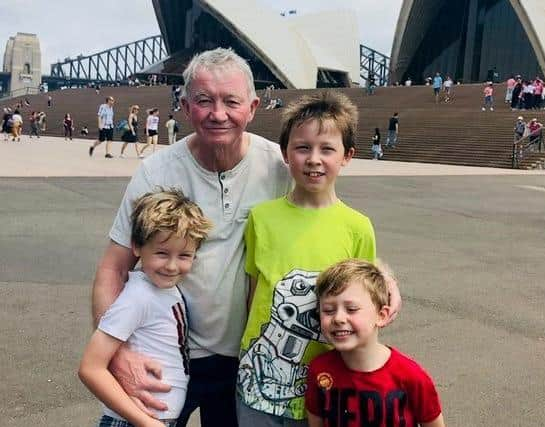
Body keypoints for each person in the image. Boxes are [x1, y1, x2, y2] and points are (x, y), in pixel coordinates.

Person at [90, 48, 402, 427]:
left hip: (243, 363)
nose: (218, 114)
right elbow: (113, 267)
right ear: (186, 107)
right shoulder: (156, 171)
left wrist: (382, 277)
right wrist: (119, 355)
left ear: (252, 107)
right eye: (204, 101)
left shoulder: (282, 164)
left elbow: (330, 222)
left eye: (231, 101)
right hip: (166, 355)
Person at [237, 91, 377, 426]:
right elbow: (255, 291)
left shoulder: (358, 228)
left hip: (329, 382)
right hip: (255, 379)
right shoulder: (262, 218)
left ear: (347, 156)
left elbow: (365, 306)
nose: (314, 158)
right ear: (285, 153)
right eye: (302, 147)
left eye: (327, 149)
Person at [79, 189, 212, 427]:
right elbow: (91, 368)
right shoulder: (138, 297)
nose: (172, 266)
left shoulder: (164, 290)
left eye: (184, 255)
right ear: (137, 247)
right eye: (162, 253)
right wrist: (145, 422)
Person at [306, 259, 446, 427]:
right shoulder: (319, 370)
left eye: (351, 309)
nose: (338, 318)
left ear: (381, 316)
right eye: (328, 310)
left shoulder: (411, 376)